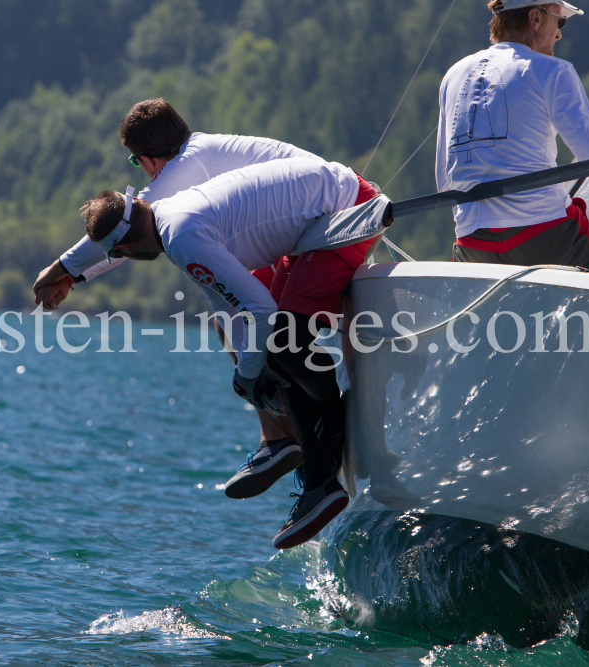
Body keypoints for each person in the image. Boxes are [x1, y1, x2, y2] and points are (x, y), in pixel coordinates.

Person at [32, 99, 352, 498]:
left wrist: (61, 268)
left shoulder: (181, 171)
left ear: (146, 159)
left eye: (137, 164)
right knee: (232, 320)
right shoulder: (198, 154)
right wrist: (72, 275)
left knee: (260, 327)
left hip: (325, 215)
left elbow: (126, 231)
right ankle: (279, 435)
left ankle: (299, 433)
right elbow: (132, 236)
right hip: (301, 219)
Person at [80, 157, 383, 549]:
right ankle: (320, 476)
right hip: (324, 217)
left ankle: (330, 439)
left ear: (121, 248)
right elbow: (226, 306)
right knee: (272, 351)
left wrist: (247, 375)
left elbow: (260, 311)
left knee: (280, 341)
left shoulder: (181, 237)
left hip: (352, 210)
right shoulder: (171, 216)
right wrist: (249, 370)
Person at [436, 0, 589, 274]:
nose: (559, 34)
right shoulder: (550, 70)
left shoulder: (453, 75)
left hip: (473, 243)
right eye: (559, 20)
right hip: (547, 234)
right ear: (535, 19)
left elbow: (445, 182)